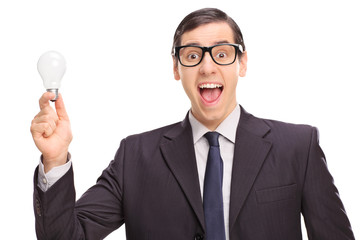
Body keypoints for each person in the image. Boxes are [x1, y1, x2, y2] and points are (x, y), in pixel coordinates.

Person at [30, 8, 355, 240]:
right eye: (192, 55)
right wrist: (55, 160)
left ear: (242, 63)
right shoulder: (135, 155)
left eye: (222, 54)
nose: (207, 66)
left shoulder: (298, 146)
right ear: (176, 68)